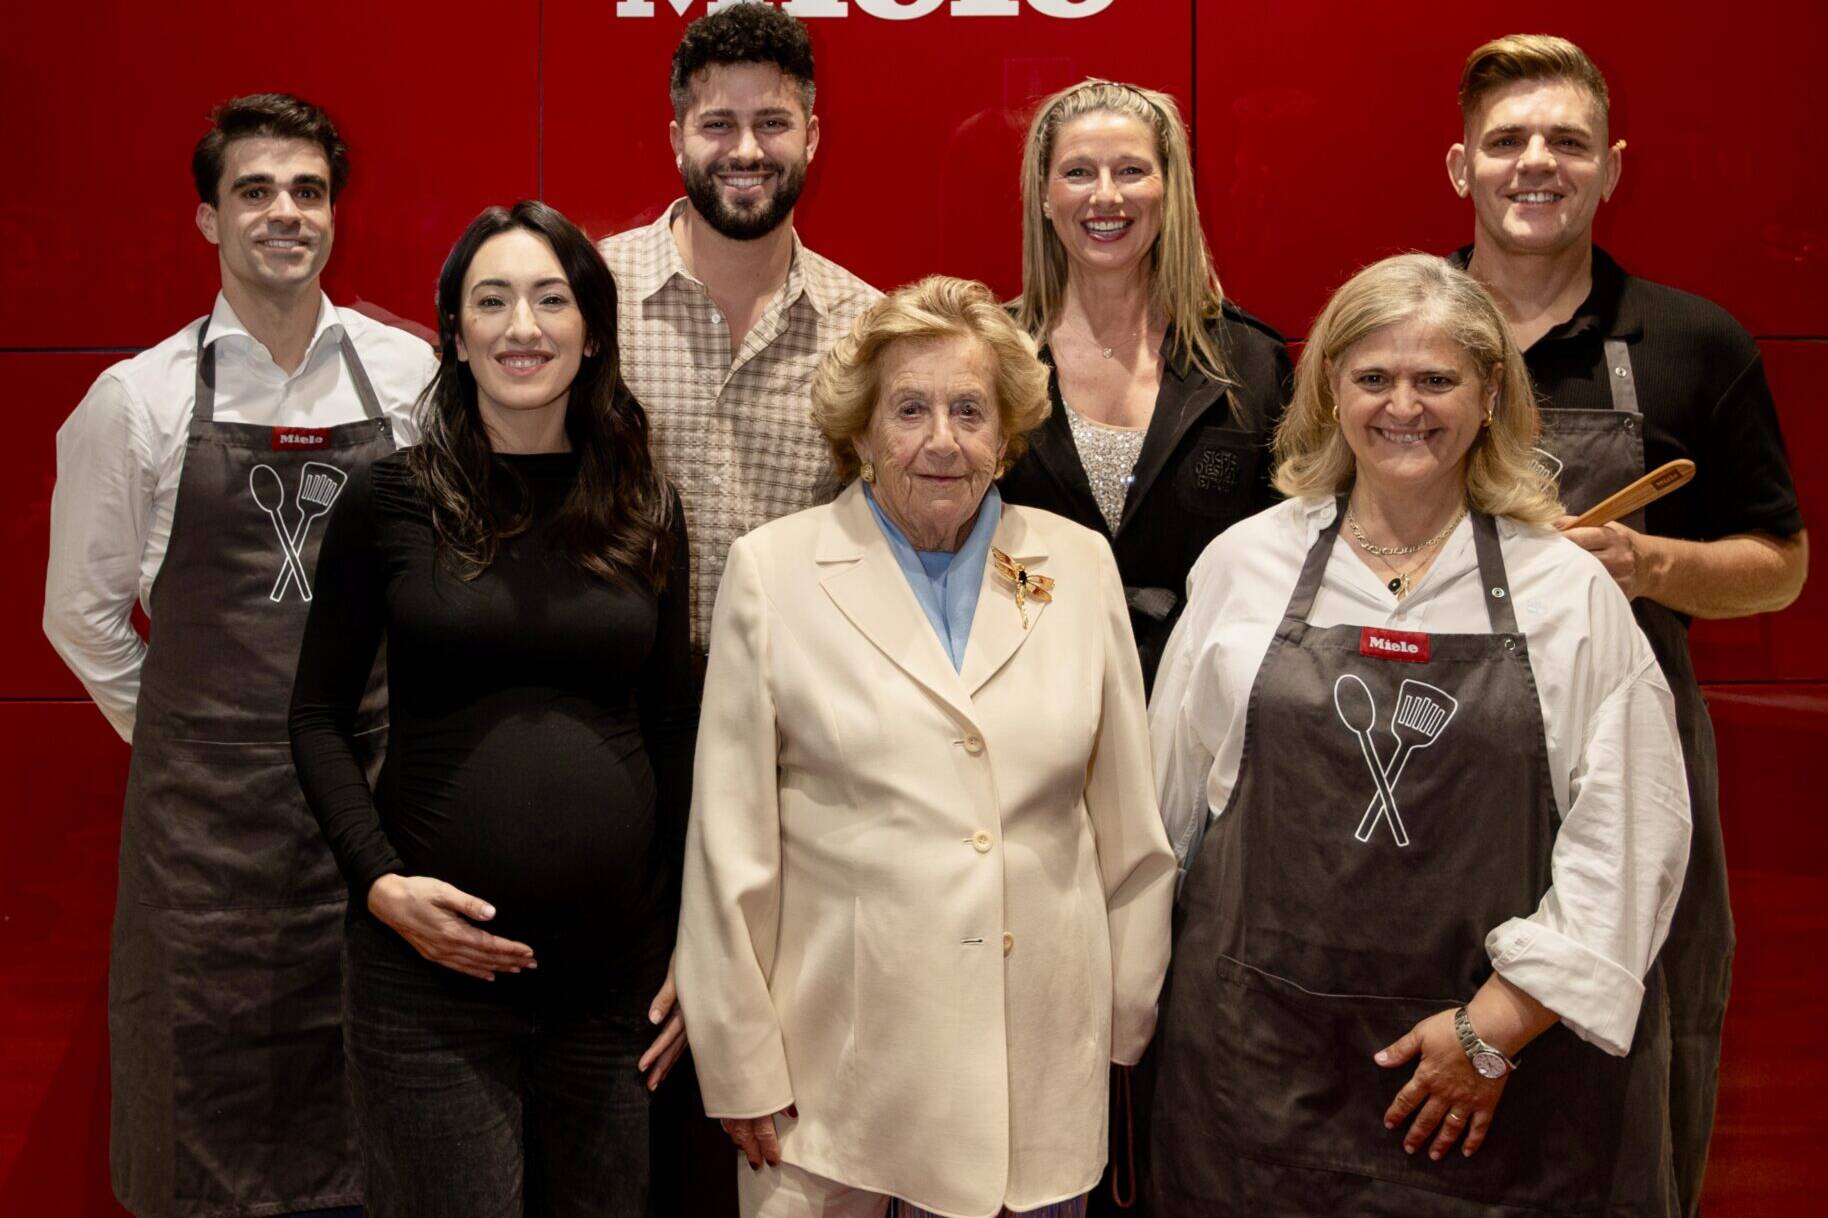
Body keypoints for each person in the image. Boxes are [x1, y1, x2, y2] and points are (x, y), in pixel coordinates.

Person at [1148, 254, 1692, 1214]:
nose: (1406, 405)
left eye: (1437, 379)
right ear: (1329, 391)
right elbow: (1168, 812)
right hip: (1260, 1067)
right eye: (1374, 378)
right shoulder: (1246, 564)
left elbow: (1632, 833)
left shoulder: (1564, 590)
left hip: (1502, 1090)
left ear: (1489, 394)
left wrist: (1493, 1029)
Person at [675, 276, 1176, 1218]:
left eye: (969, 410)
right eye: (908, 409)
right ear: (860, 433)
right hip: (833, 1088)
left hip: (1038, 1074)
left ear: (1006, 434)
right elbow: (727, 846)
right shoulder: (772, 572)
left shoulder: (1075, 564)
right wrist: (739, 1060)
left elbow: (1129, 826)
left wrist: (1118, 1028)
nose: (942, 440)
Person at [41, 93, 435, 1218]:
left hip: (370, 814)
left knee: (369, 1099)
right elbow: (82, 614)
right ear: (208, 220)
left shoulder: (409, 381)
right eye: (254, 190)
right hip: (201, 836)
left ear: (334, 215)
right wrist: (189, 736)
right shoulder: (139, 401)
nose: (284, 213)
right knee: (198, 1091)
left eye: (308, 191)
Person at [1442, 35, 1808, 1214]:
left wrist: (1649, 563)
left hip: (1630, 747)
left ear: (1612, 168)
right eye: (1506, 142)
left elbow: (1779, 570)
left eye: (1565, 142)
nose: (1533, 164)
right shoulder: (1400, 331)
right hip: (1428, 747)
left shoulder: (1695, 342)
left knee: (1647, 1024)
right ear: (1460, 167)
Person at [287, 201, 695, 1218]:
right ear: (456, 332)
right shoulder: (387, 502)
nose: (523, 326)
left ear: (592, 329)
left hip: (614, 986)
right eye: (493, 300)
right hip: (429, 986)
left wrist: (696, 937)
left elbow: (675, 731)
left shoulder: (646, 502)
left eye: (552, 299)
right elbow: (317, 719)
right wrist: (380, 886)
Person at [598, 1, 882, 662]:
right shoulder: (592, 296)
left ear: (811, 137)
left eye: (772, 123)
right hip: (618, 710)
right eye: (719, 124)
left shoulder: (867, 328)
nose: (746, 150)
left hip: (798, 704)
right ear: (677, 139)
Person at [1001, 79, 1290, 692]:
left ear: (1169, 191)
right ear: (1045, 197)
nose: (1106, 196)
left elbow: (1294, 556)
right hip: (1023, 696)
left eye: (1131, 170)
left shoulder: (1252, 361)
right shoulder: (987, 356)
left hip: (1203, 704)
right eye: (1078, 173)